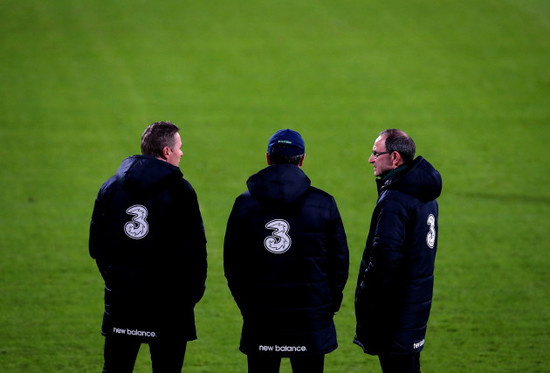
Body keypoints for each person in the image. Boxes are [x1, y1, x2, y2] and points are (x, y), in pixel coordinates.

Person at [224, 129, 349, 373]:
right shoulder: (324, 204)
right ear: (302, 159)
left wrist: (247, 308)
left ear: (268, 158)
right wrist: (327, 308)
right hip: (311, 321)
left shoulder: (244, 204)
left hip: (261, 319)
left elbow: (233, 267)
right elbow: (339, 265)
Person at [89, 121, 207, 373]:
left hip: (122, 302)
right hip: (171, 308)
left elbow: (97, 247)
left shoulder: (110, 188)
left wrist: (117, 282)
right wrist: (190, 299)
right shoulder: (181, 191)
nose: (181, 153)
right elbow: (195, 254)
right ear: (166, 152)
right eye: (179, 147)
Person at [354, 129, 442, 373]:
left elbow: (384, 259)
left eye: (375, 153)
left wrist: (364, 295)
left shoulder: (395, 198)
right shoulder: (426, 194)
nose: (370, 159)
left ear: (395, 158)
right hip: (416, 304)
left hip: (394, 311)